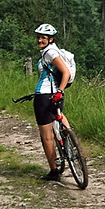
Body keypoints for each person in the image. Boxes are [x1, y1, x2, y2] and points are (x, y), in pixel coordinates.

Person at [33, 23, 72, 182]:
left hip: (43, 96)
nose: (40, 40)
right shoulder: (53, 51)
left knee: (46, 136)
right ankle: (71, 144)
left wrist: (60, 90)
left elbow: (65, 72)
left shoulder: (49, 53)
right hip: (55, 95)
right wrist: (60, 92)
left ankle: (54, 171)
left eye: (43, 37)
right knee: (60, 116)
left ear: (51, 39)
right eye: (39, 37)